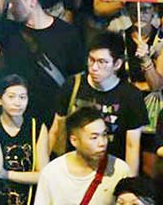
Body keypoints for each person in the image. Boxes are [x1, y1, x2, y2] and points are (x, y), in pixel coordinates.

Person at [0, 0, 85, 122]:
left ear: (32, 1)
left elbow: (77, 78)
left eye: (14, 3)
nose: (10, 8)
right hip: (19, 117)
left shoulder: (67, 33)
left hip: (56, 117)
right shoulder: (9, 29)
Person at [49, 32, 148, 175]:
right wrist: (47, 171)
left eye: (102, 62)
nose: (94, 67)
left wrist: (129, 185)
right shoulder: (73, 85)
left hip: (109, 172)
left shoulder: (130, 96)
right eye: (91, 60)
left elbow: (132, 146)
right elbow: (56, 129)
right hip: (72, 169)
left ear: (117, 64)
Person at [0, 74, 50, 205]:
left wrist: (7, 175)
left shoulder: (36, 127)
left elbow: (43, 175)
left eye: (22, 97)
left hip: (28, 199)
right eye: (11, 97)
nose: (17, 103)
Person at [35, 107, 130, 204]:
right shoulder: (52, 173)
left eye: (104, 135)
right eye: (94, 137)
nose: (102, 143)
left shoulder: (120, 170)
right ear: (74, 140)